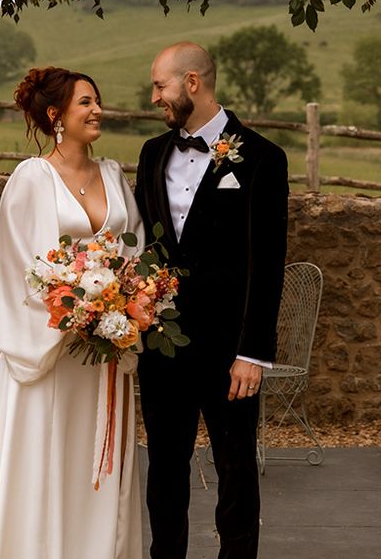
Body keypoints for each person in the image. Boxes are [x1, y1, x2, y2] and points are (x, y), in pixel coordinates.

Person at [0, 67, 144, 559]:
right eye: (85, 102)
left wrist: (128, 304)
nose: (97, 109)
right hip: (53, 353)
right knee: (47, 461)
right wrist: (76, 312)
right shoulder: (32, 179)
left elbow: (134, 252)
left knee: (94, 464)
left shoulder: (115, 175)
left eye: (98, 100)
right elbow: (20, 267)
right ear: (56, 115)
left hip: (105, 356)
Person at [135, 42, 289, 559]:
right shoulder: (152, 154)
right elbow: (148, 249)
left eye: (161, 85)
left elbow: (267, 264)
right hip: (163, 346)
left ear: (192, 83)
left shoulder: (263, 158)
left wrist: (254, 352)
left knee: (236, 470)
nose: (155, 96)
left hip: (229, 353)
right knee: (165, 472)